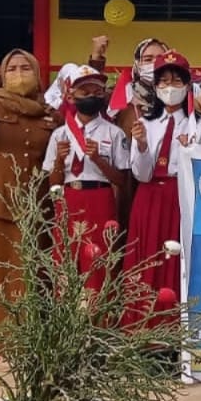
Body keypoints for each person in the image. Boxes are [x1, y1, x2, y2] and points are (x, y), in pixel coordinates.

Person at [0, 48, 57, 355]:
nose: (19, 73)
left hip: (37, 205)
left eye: (25, 67)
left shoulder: (49, 112)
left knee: (32, 276)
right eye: (12, 68)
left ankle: (30, 342)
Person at [124, 50, 201, 297]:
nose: (169, 87)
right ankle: (139, 323)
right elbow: (141, 174)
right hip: (148, 197)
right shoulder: (146, 123)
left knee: (176, 257)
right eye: (163, 82)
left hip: (181, 197)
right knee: (146, 256)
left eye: (176, 81)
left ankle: (173, 322)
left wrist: (190, 150)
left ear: (187, 85)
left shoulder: (199, 124)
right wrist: (140, 145)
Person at [44, 69, 129, 263]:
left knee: (98, 260)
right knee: (65, 260)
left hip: (100, 198)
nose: (91, 97)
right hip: (69, 199)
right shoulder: (59, 134)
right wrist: (58, 161)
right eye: (85, 93)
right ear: (71, 97)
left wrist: (99, 160)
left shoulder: (114, 133)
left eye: (97, 93)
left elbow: (122, 180)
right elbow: (53, 185)